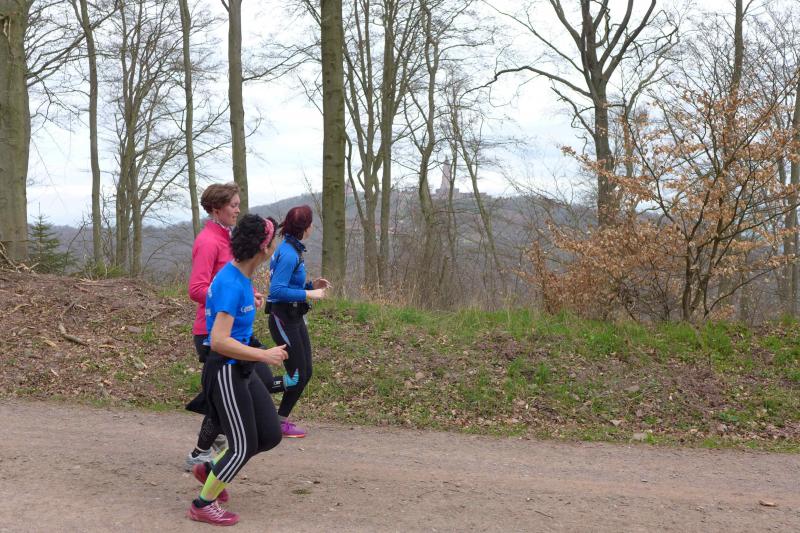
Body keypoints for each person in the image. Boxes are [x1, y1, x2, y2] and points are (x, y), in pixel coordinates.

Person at [187, 214, 288, 526]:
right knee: (243, 446)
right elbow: (218, 341)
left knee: (269, 434)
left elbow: (230, 315)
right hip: (225, 372)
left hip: (240, 369)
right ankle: (203, 504)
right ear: (263, 248)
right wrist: (263, 355)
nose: (275, 245)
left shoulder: (240, 278)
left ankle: (209, 470)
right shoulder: (232, 283)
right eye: (273, 240)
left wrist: (249, 301)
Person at [267, 205, 329, 438]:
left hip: (294, 316)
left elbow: (289, 285)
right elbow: (277, 290)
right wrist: (308, 293)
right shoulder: (289, 253)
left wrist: (311, 285)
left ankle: (279, 419)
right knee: (297, 375)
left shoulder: (292, 248)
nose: (312, 226)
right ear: (306, 227)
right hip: (282, 317)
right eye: (311, 222)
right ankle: (252, 391)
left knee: (305, 372)